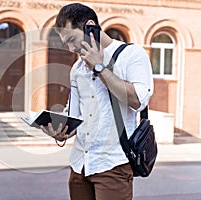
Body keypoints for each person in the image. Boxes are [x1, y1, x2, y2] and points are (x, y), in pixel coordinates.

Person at [40, 3, 153, 200]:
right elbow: (74, 116)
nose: (70, 48)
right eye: (65, 43)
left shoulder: (131, 55)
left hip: (112, 165)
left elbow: (138, 101)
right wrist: (61, 131)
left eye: (72, 39)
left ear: (90, 26)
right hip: (80, 165)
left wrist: (99, 67)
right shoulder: (76, 69)